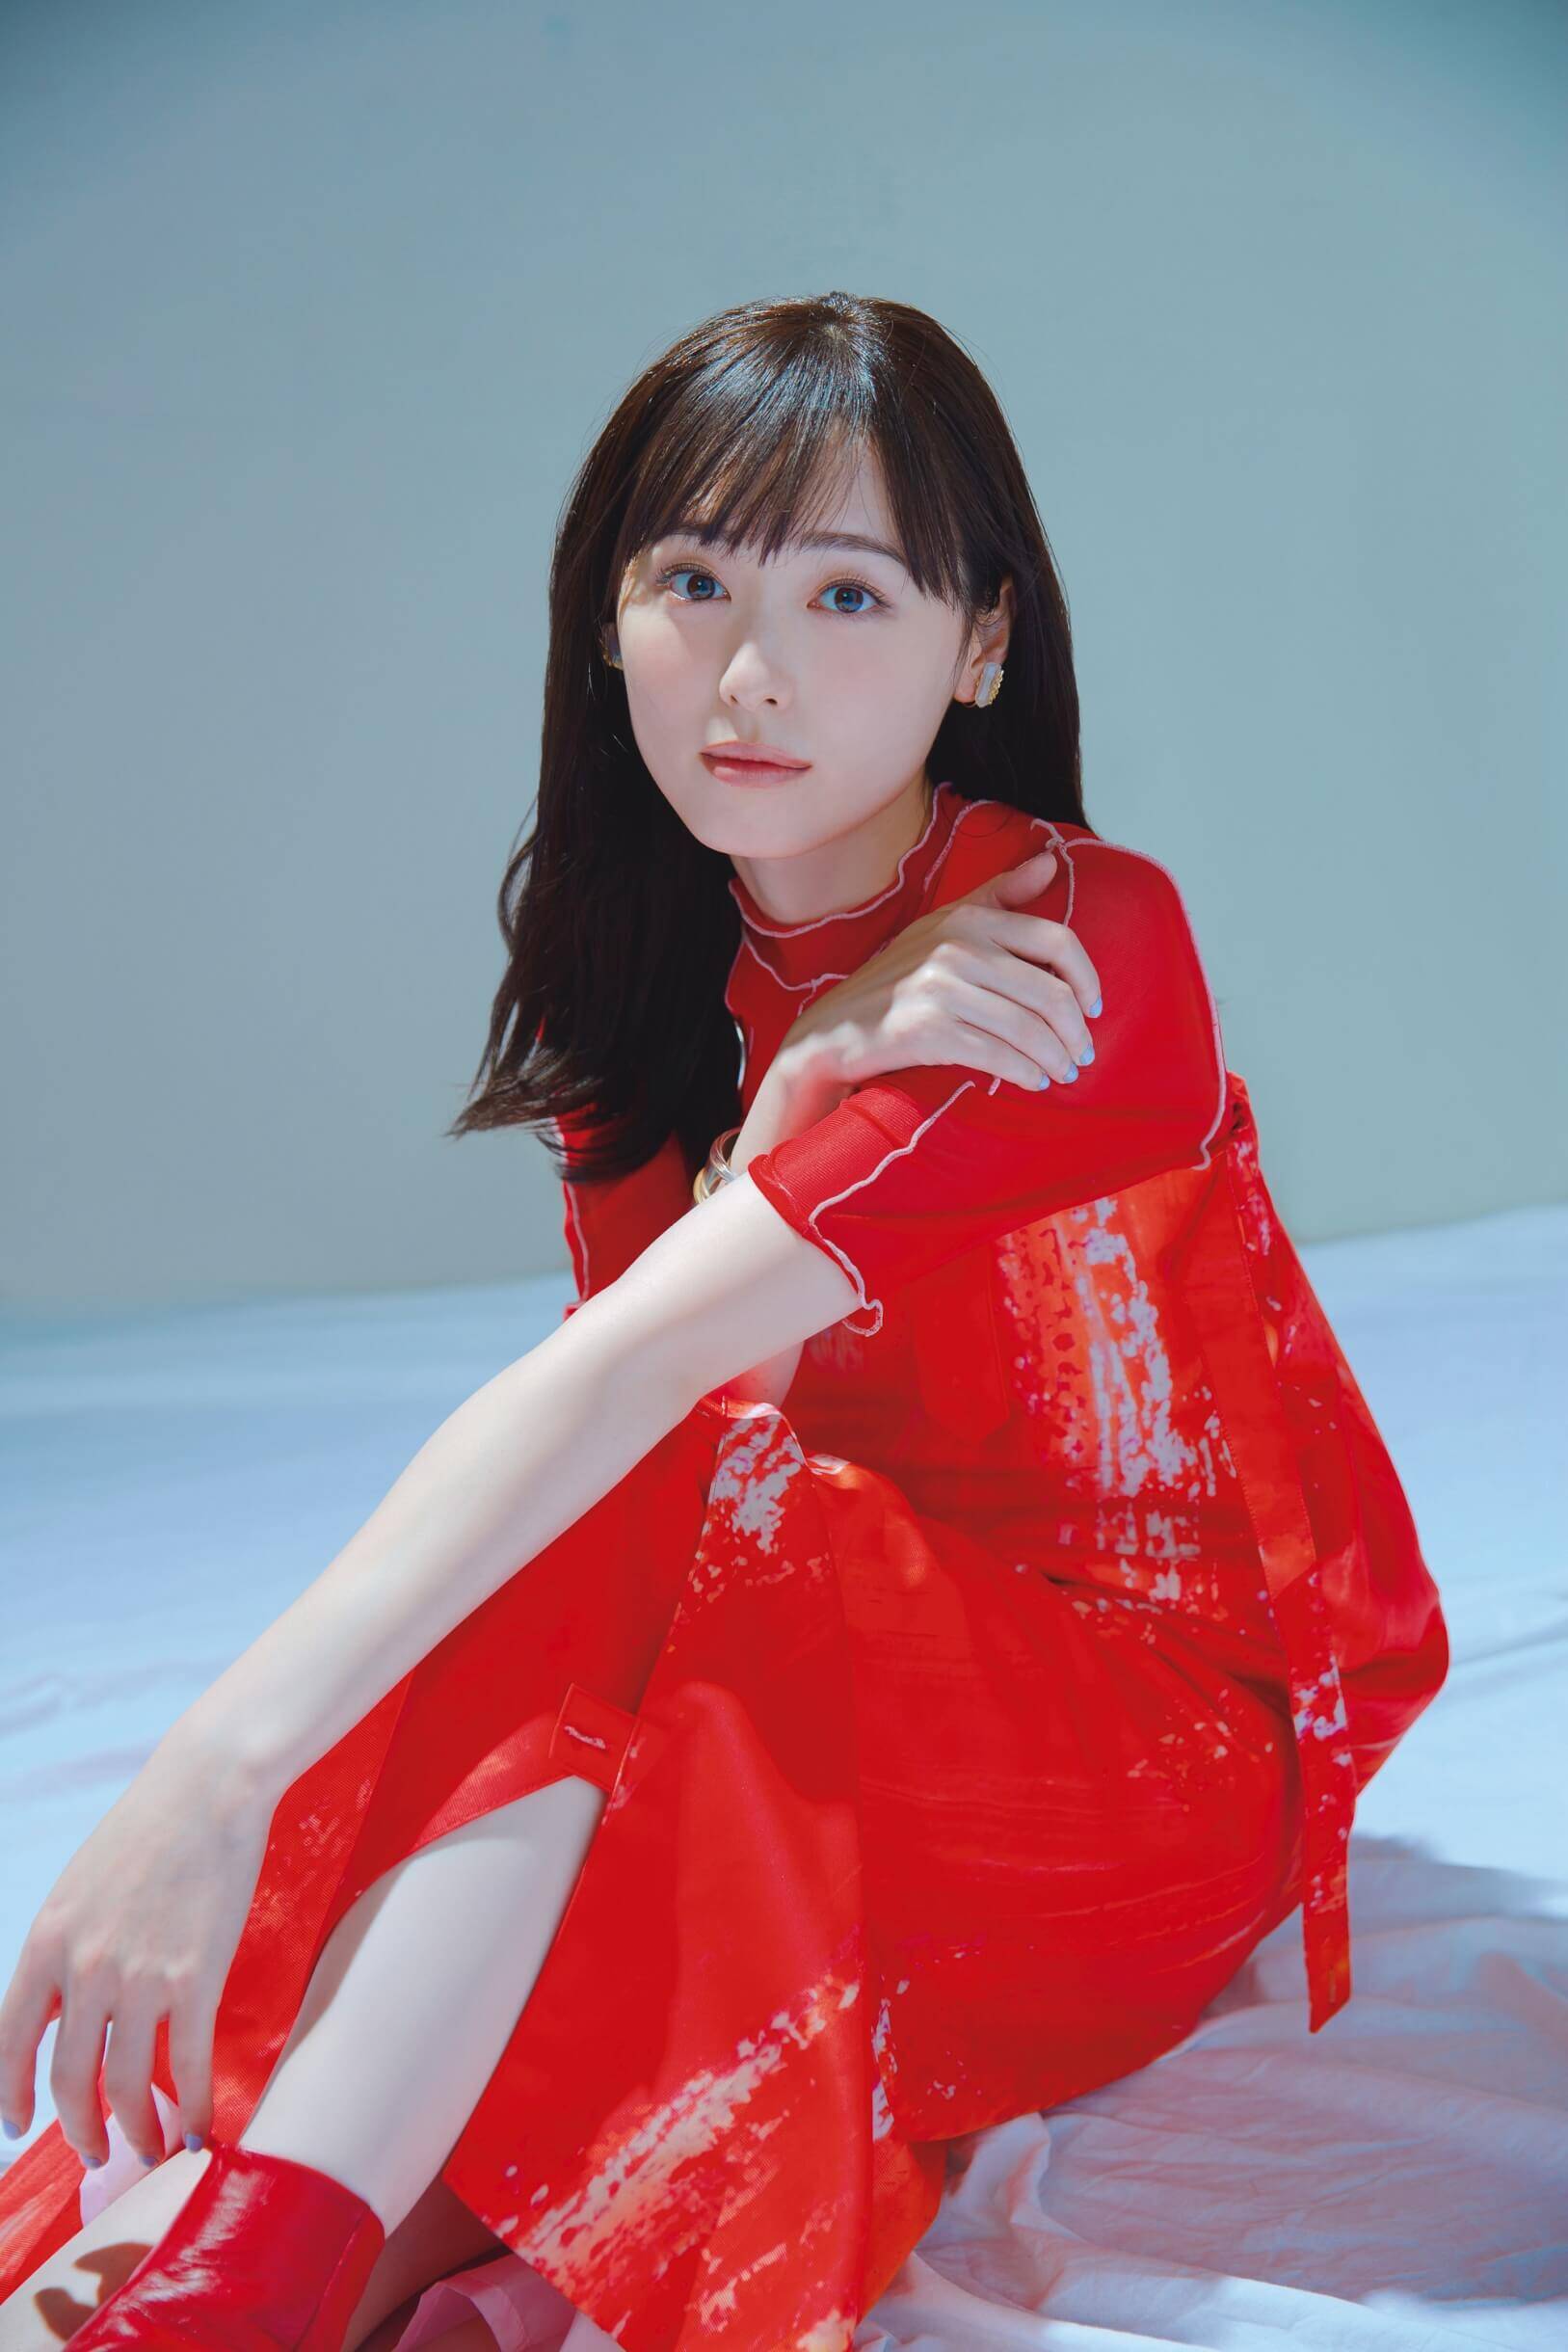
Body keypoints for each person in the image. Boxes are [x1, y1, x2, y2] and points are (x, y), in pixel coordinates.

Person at [0, 291, 1449, 2352]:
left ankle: (239, 2247)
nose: (750, 671)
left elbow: (643, 1407)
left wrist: (218, 1767)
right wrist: (788, 1093)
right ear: (606, 620)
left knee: (624, 1521)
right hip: (784, 1692)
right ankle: (260, 2273)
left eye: (847, 593)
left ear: (980, 643)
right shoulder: (653, 988)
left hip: (1137, 1765)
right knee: (606, 1722)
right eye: (691, 581)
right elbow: (672, 1491)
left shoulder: (1067, 949)